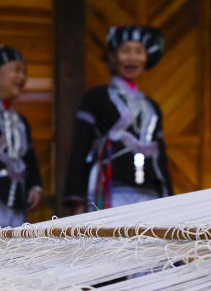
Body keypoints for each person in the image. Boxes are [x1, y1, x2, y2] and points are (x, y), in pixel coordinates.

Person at [63, 25, 173, 214]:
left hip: (150, 191)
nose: (132, 57)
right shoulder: (95, 97)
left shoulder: (152, 107)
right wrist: (76, 197)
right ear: (113, 56)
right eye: (126, 51)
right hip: (109, 189)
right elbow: (79, 147)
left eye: (139, 51)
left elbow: (161, 156)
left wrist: (169, 198)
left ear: (146, 58)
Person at [0, 44, 43, 227]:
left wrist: (35, 186)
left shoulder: (21, 121)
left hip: (17, 207)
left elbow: (29, 159)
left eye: (24, 72)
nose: (22, 77)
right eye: (17, 71)